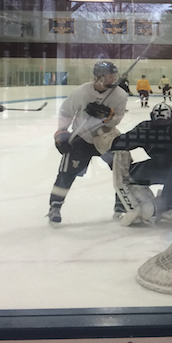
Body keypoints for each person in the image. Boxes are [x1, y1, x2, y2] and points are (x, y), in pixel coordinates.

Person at [47, 61, 129, 224]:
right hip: (82, 137)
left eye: (114, 74)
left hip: (106, 137)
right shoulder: (82, 91)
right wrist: (62, 132)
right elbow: (66, 112)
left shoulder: (120, 95)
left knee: (122, 167)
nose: (113, 77)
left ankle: (122, 204)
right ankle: (55, 206)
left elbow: (117, 119)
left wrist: (108, 117)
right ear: (98, 76)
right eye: (109, 74)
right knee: (66, 172)